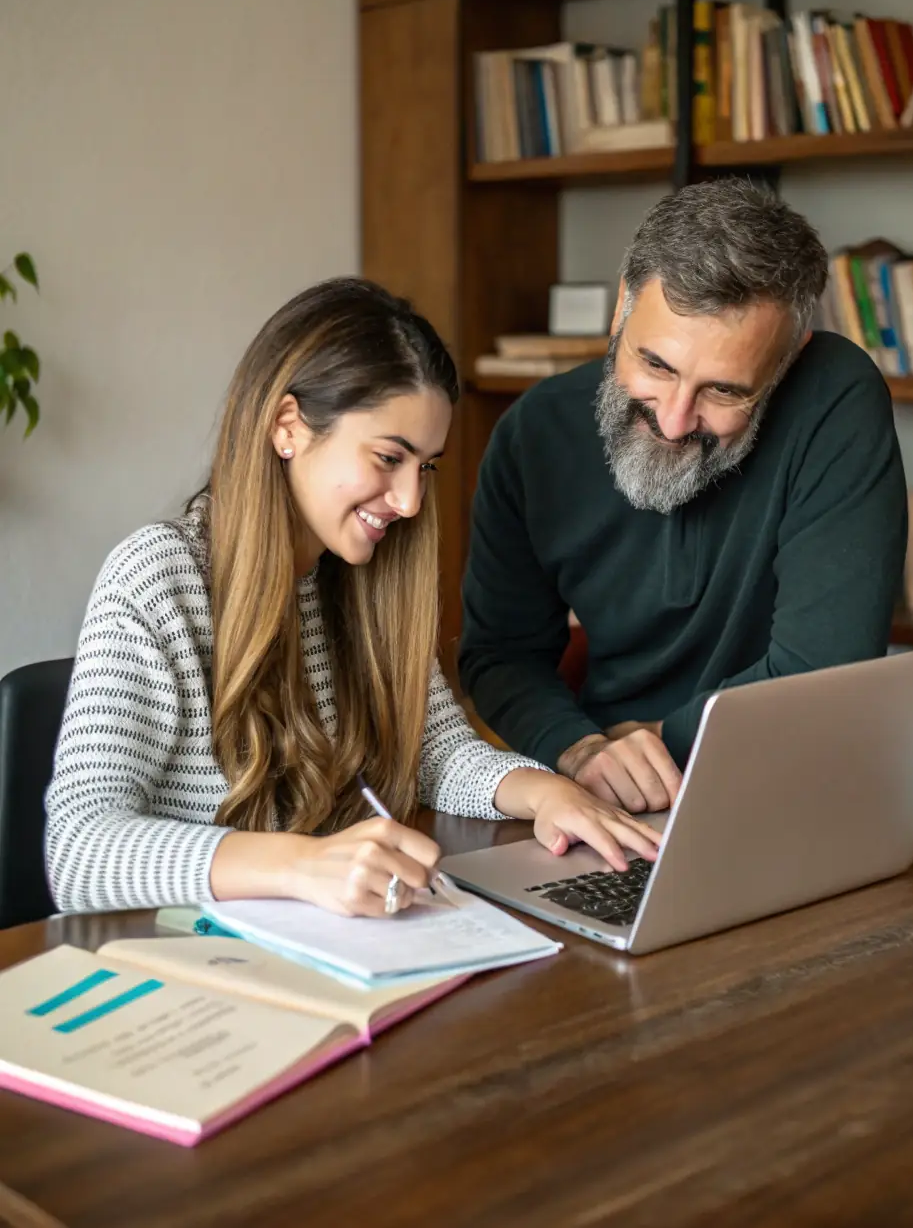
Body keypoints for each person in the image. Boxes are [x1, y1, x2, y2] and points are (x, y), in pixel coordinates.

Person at [45, 279, 660, 918]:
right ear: (288, 427)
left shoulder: (357, 573)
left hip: (326, 945)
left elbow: (438, 752)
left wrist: (544, 791)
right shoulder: (156, 576)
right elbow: (77, 849)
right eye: (388, 457)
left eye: (424, 466)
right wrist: (304, 864)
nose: (410, 501)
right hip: (186, 964)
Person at [459, 178, 908, 815]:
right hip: (605, 787)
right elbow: (501, 653)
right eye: (657, 366)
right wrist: (580, 749)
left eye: (724, 391)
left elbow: (825, 670)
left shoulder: (835, 397)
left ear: (787, 360)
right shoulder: (533, 434)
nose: (674, 421)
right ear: (621, 309)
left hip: (785, 775)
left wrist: (661, 741)